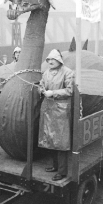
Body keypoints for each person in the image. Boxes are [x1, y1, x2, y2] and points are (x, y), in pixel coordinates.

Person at [37, 49, 74, 181]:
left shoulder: (68, 72)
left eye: (53, 59)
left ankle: (62, 171)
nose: (50, 62)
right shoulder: (46, 73)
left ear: (59, 60)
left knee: (61, 141)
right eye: (48, 60)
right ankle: (55, 165)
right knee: (51, 138)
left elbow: (69, 91)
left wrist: (53, 92)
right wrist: (41, 90)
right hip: (48, 109)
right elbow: (41, 85)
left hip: (61, 110)